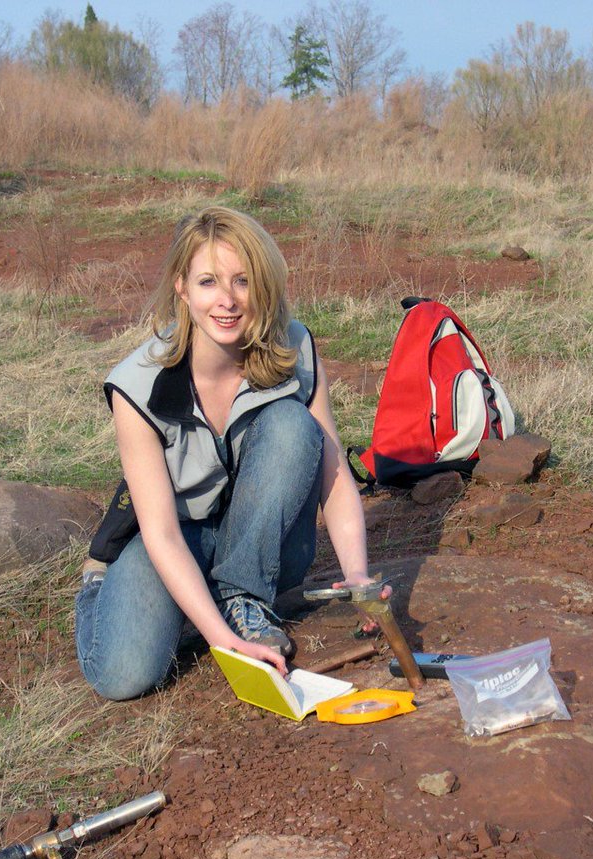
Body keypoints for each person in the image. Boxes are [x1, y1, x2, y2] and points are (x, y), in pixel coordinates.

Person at [76, 206, 387, 701]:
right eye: (207, 282)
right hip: (177, 542)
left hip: (263, 547)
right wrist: (223, 643)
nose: (226, 301)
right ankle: (102, 588)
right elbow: (161, 534)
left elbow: (334, 478)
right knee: (125, 676)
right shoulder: (134, 385)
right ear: (181, 287)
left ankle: (243, 599)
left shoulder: (295, 346)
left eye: (242, 281)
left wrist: (356, 578)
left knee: (291, 422)